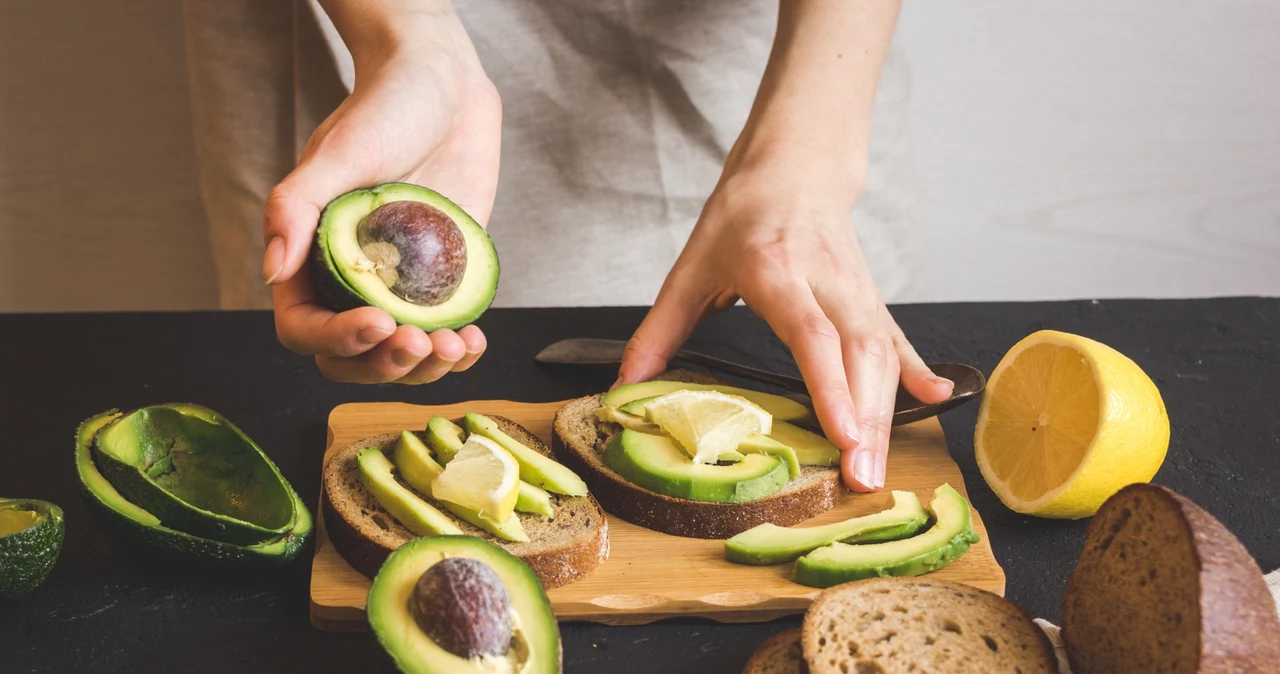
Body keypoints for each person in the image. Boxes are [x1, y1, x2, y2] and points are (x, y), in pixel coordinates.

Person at [183, 0, 953, 494]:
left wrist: (808, 155)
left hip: (791, 57)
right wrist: (403, 37)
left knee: (814, 341)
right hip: (363, 44)